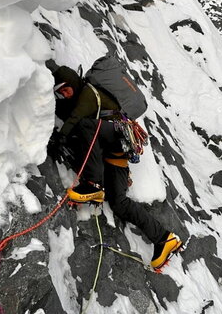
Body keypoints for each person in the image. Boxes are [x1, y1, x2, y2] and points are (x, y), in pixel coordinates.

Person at [51, 65, 183, 271]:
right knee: (119, 202)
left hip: (117, 133)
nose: (65, 95)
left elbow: (76, 119)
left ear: (73, 83)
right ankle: (165, 239)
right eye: (60, 93)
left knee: (84, 126)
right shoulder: (78, 99)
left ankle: (93, 184)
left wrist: (59, 139)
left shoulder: (88, 93)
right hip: (116, 152)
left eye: (65, 89)